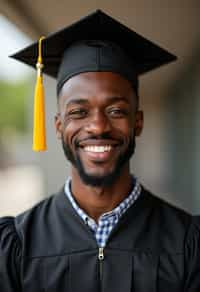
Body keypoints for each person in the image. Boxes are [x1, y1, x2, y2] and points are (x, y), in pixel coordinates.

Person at [0, 10, 200, 292]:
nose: (97, 126)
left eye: (116, 110)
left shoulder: (187, 242)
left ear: (138, 122)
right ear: (58, 126)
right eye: (79, 112)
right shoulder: (16, 245)